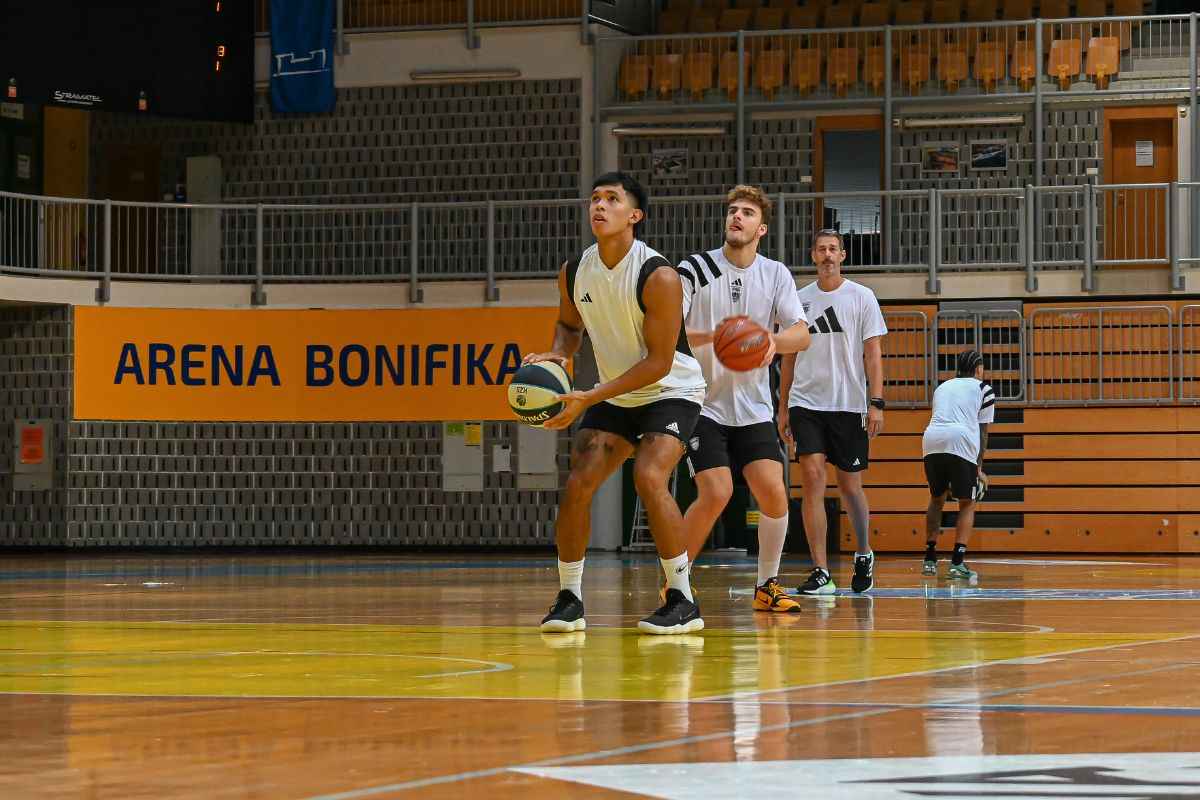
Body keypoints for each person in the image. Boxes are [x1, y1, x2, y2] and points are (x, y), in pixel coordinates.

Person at [524, 172, 707, 636]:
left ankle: (682, 599)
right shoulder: (574, 271)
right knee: (578, 483)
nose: (599, 206)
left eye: (611, 199)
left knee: (648, 476)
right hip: (616, 391)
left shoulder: (659, 275)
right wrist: (559, 355)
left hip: (671, 389)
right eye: (594, 199)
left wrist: (588, 395)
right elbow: (570, 327)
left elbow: (660, 362)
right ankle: (569, 598)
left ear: (634, 216)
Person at [677, 184, 811, 612]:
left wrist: (770, 339)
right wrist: (717, 338)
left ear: (762, 228)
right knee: (715, 492)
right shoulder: (693, 269)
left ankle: (766, 585)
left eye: (747, 213)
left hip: (752, 407)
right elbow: (663, 333)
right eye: (733, 210)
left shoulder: (775, 274)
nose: (737, 217)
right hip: (701, 401)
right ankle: (675, 583)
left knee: (774, 492)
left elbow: (802, 334)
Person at [777, 229, 887, 596]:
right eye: (821, 249)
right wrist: (783, 407)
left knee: (849, 486)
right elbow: (788, 357)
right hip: (806, 403)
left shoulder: (862, 297)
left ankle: (863, 553)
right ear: (813, 256)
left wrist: (876, 402)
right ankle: (821, 570)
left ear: (842, 256)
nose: (827, 255)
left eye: (832, 250)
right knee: (811, 478)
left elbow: (873, 355)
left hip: (848, 404)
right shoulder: (798, 299)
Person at [921, 349, 995, 579]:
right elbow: (983, 432)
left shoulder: (942, 387)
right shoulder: (984, 389)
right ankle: (957, 562)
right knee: (967, 502)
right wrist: (978, 468)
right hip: (961, 441)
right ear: (979, 368)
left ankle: (930, 559)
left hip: (931, 440)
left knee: (937, 498)